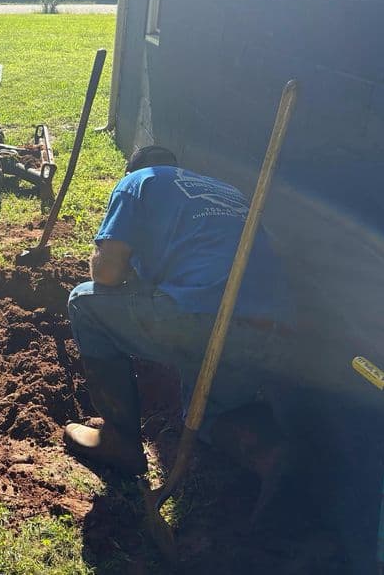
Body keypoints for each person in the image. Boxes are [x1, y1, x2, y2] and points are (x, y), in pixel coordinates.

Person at [64, 146, 293, 498]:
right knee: (206, 413)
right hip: (266, 330)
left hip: (197, 316)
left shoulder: (137, 182)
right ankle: (269, 455)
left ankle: (119, 441)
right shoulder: (227, 191)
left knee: (85, 303)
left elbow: (108, 273)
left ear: (131, 169)